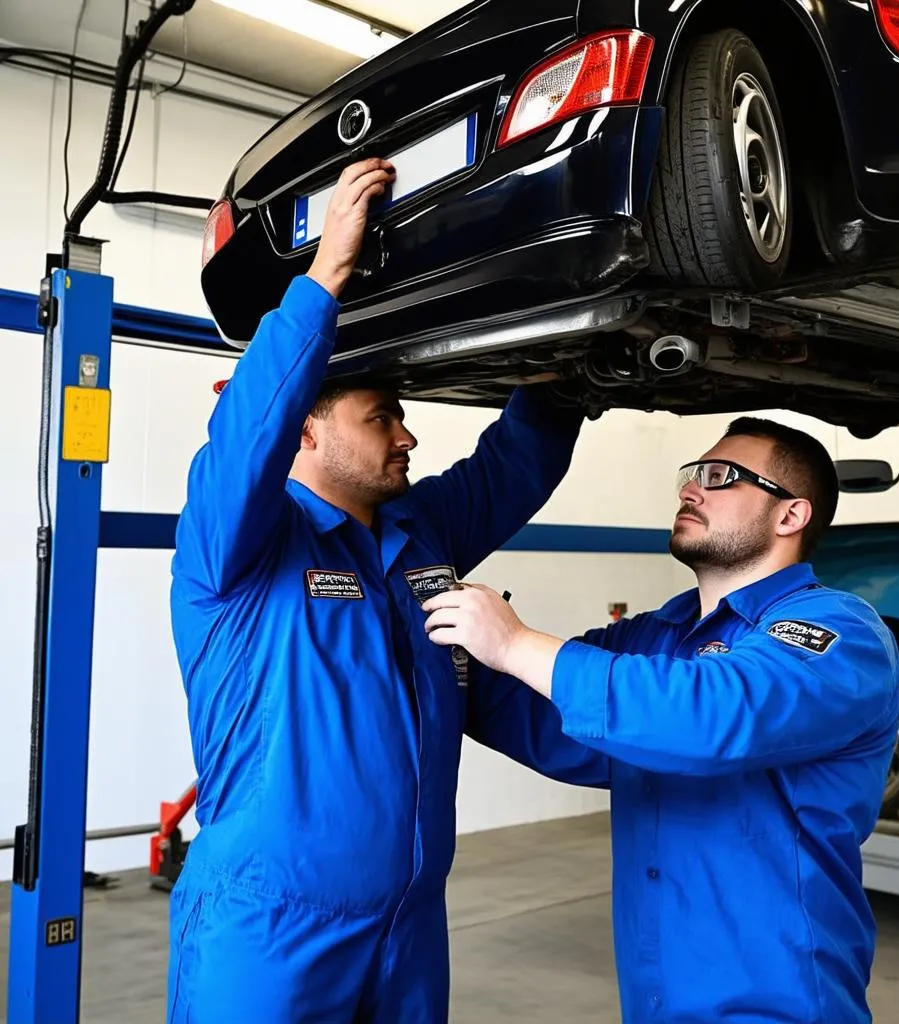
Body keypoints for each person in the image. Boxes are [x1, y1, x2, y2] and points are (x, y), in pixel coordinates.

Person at [167, 158, 607, 1024]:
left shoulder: (418, 533)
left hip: (409, 922)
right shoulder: (237, 549)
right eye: (380, 418)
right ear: (306, 431)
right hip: (269, 931)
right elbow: (242, 442)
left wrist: (564, 359)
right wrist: (323, 276)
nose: (408, 434)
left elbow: (513, 466)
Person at [423, 417, 899, 1024]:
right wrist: (429, 642)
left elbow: (713, 716)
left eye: (720, 477)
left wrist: (515, 644)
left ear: (791, 516)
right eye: (691, 475)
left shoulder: (840, 632)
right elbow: (552, 722)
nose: (689, 490)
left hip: (776, 1003)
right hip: (657, 997)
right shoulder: (658, 636)